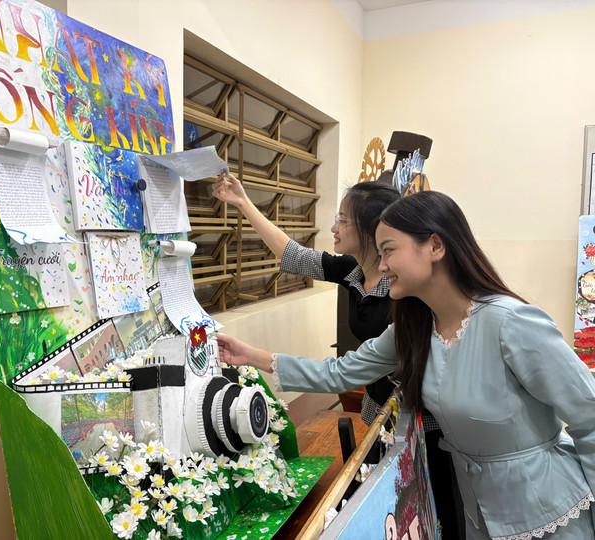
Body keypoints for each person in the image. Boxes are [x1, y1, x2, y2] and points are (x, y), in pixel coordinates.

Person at [217, 191, 595, 539]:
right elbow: (341, 373)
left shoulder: (511, 322)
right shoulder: (413, 329)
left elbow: (589, 417)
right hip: (479, 512)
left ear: (435, 246)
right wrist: (250, 356)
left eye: (389, 251)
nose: (381, 266)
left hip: (548, 509)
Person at [212, 173, 465, 538]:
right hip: (379, 406)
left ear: (371, 229)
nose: (334, 227)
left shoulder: (408, 289)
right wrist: (243, 202)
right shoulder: (351, 271)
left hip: (423, 419)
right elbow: (292, 256)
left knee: (433, 503)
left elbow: (345, 372)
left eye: (342, 219)